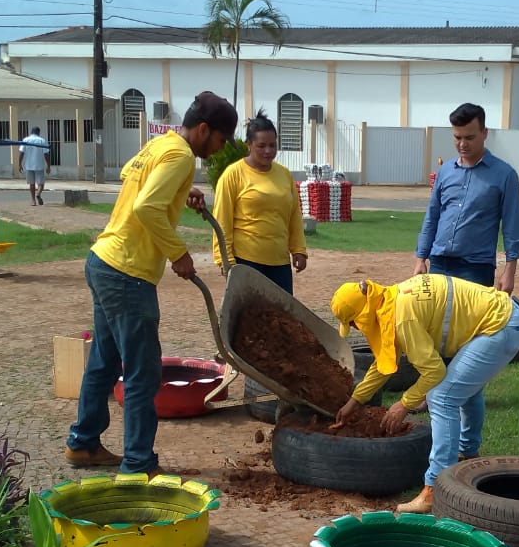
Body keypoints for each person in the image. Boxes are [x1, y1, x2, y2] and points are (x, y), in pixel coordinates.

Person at [65, 92, 237, 477]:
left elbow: (137, 181)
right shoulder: (180, 156)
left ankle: (83, 444)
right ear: (204, 129)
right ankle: (138, 462)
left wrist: (181, 191)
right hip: (128, 273)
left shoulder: (161, 144)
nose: (220, 148)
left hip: (103, 261)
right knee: (143, 372)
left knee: (105, 361)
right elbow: (146, 206)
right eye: (221, 140)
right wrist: (178, 252)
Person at [330, 273, 519, 514]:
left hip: (499, 326)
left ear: (363, 315)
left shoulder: (402, 318)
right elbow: (384, 364)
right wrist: (355, 401)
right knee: (464, 390)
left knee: (441, 397)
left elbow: (434, 371)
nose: (356, 329)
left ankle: (434, 490)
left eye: (353, 323)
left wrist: (404, 404)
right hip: (501, 319)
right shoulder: (390, 300)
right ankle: (468, 452)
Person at [414, 103, 519, 293]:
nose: (462, 144)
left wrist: (510, 271)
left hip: (476, 268)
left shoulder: (505, 175)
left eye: (469, 138)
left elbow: (512, 227)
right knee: (437, 320)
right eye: (457, 137)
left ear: (484, 133)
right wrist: (420, 259)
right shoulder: (445, 172)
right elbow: (432, 217)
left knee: (470, 323)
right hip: (439, 263)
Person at [211, 109, 307, 293]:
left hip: (279, 263)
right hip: (246, 261)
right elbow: (222, 220)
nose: (268, 151)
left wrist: (299, 249)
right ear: (249, 144)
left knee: (281, 318)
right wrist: (225, 260)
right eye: (261, 146)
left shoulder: (284, 174)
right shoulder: (233, 175)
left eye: (272, 145)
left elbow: (294, 214)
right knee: (251, 318)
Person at [19, 123, 51, 206]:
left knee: (31, 183)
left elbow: (21, 153)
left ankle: (33, 201)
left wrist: (19, 164)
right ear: (38, 132)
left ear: (31, 132)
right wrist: (48, 166)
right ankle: (38, 193)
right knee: (41, 183)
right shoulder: (42, 140)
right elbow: (46, 154)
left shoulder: (26, 140)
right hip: (39, 165)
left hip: (29, 165)